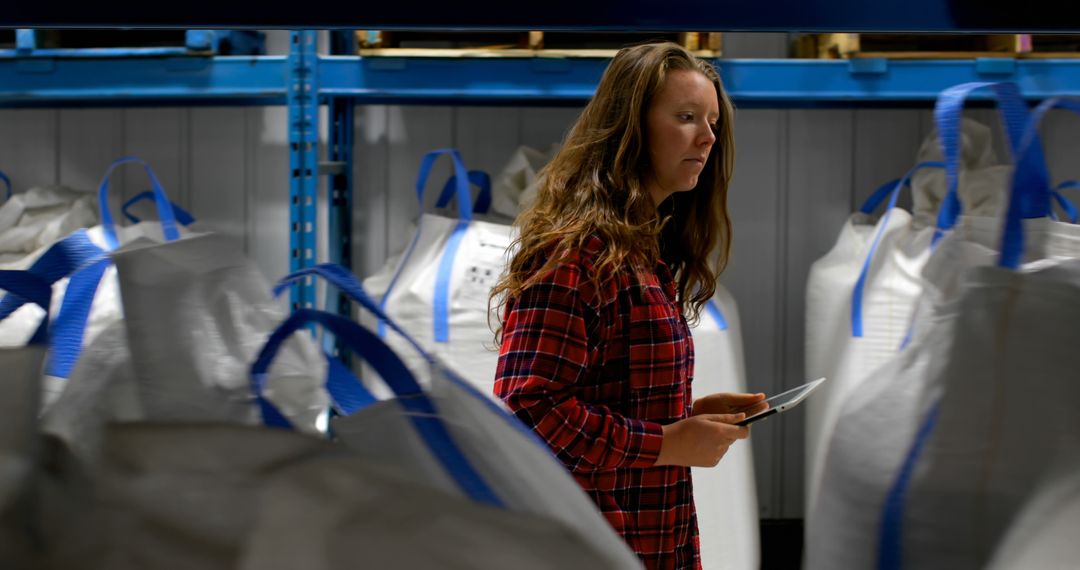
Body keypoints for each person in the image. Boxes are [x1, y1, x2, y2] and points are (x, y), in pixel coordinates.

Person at [491, 42, 767, 570]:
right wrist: (665, 443)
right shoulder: (574, 252)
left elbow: (607, 393)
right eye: (686, 118)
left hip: (654, 536)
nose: (708, 138)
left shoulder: (642, 249)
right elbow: (531, 406)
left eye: (711, 121)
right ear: (630, 127)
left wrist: (686, 419)